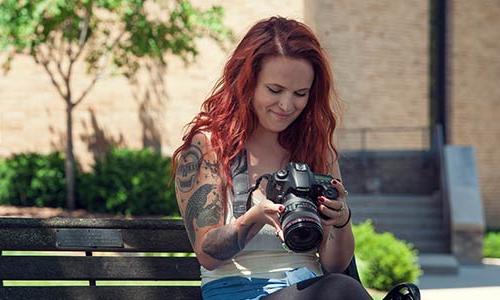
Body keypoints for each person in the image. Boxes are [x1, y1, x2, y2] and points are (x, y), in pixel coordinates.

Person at [173, 16, 372, 300]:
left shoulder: (314, 148)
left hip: (312, 287)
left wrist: (340, 220)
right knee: (341, 290)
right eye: (275, 90)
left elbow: (333, 265)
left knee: (340, 287)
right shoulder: (210, 146)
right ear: (247, 83)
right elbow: (208, 253)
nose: (287, 105)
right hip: (238, 291)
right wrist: (253, 219)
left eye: (300, 93)